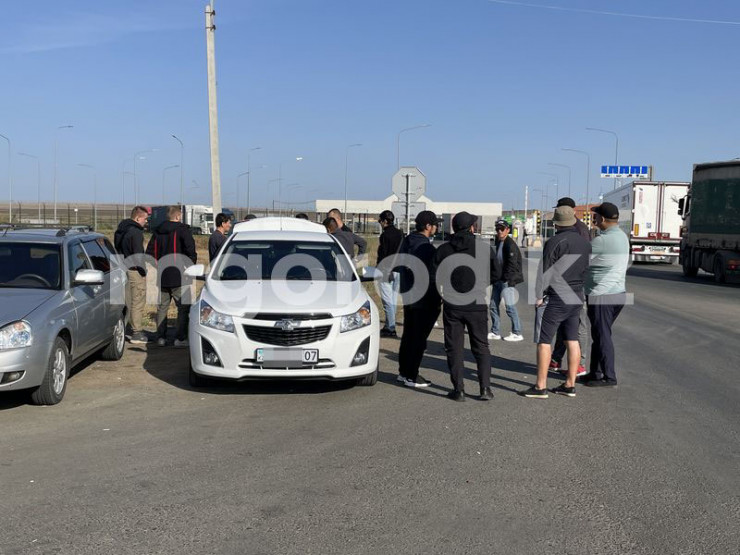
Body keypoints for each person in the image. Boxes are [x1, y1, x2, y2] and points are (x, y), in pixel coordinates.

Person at [520, 206, 590, 399]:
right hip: (577, 294)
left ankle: (540, 386)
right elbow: (587, 269)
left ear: (556, 224)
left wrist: (539, 295)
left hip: (558, 296)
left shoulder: (555, 241)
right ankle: (570, 384)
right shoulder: (585, 243)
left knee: (544, 341)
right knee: (572, 339)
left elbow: (545, 270)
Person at [433, 211, 498, 401]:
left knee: (454, 348)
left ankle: (458, 390)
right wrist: (481, 284)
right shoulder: (484, 248)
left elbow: (434, 276)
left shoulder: (444, 250)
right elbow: (497, 273)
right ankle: (485, 389)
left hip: (452, 304)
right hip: (477, 303)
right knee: (481, 347)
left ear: (454, 227)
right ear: (471, 227)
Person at [583, 202, 630, 387]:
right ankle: (595, 373)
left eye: (595, 215)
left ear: (602, 218)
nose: (594, 218)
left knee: (602, 336)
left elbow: (580, 259)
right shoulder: (622, 236)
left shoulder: (601, 241)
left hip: (602, 295)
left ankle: (609, 377)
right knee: (600, 333)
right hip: (617, 293)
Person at [396, 210, 442, 388]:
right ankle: (412, 375)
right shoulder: (425, 248)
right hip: (423, 299)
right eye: (435, 224)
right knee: (418, 339)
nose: (436, 227)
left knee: (408, 335)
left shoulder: (407, 241)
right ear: (428, 226)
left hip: (408, 295)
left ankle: (403, 372)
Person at [549, 196, 592, 377]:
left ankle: (580, 364)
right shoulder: (577, 229)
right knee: (565, 325)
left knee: (578, 326)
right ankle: (556, 358)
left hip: (573, 286)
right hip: (570, 285)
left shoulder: (579, 230)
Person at [146, 205, 198, 348]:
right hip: (180, 275)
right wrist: (190, 266)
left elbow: (149, 252)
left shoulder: (157, 231)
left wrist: (158, 266)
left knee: (162, 307)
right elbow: (190, 250)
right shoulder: (182, 230)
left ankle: (161, 338)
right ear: (178, 216)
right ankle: (180, 338)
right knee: (183, 307)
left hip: (163, 275)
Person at [114, 205, 149, 344]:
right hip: (134, 270)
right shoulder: (136, 232)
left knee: (127, 301)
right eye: (145, 218)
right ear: (138, 218)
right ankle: (137, 333)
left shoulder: (121, 230)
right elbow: (138, 254)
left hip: (123, 269)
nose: (146, 221)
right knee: (137, 301)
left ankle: (124, 329)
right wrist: (143, 271)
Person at [488, 219, 524, 342]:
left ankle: (517, 332)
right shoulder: (498, 241)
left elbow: (512, 265)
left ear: (507, 230)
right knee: (493, 306)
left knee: (510, 307)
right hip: (498, 280)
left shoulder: (510, 244)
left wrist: (507, 280)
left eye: (502, 229)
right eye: (497, 229)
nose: (499, 231)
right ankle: (495, 331)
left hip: (506, 281)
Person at [377, 210, 404, 338]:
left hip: (386, 270)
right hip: (398, 270)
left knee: (387, 301)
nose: (379, 223)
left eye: (380, 221)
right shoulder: (400, 234)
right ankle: (388, 326)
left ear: (385, 221)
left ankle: (391, 328)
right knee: (392, 300)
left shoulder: (384, 236)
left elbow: (383, 254)